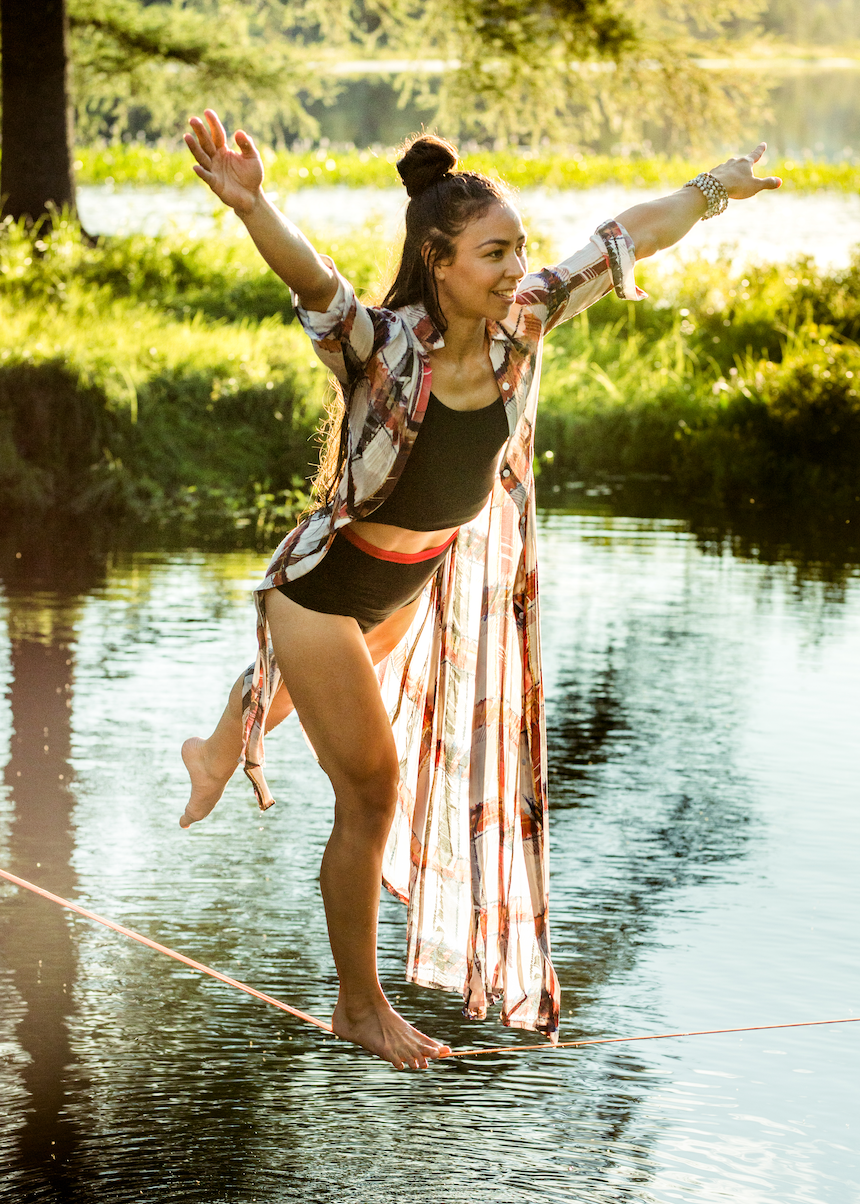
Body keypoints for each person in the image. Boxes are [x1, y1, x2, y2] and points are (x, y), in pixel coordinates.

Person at [179, 113, 780, 1071]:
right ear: (439, 259)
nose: (515, 269)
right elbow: (315, 283)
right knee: (372, 791)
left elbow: (624, 236)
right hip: (327, 592)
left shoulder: (525, 323)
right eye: (494, 253)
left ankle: (215, 751)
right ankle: (357, 1003)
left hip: (407, 587)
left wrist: (715, 187)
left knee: (307, 703)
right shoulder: (383, 346)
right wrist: (254, 203)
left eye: (519, 251)